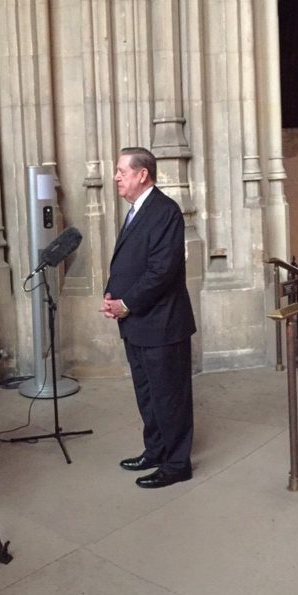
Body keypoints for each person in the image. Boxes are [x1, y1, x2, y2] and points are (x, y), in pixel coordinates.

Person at [101, 147, 196, 489]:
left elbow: (162, 271)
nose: (116, 177)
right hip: (138, 322)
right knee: (147, 393)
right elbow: (130, 262)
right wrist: (112, 296)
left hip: (163, 323)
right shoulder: (136, 211)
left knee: (170, 395)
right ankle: (155, 450)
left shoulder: (165, 210)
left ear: (142, 174)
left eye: (121, 171)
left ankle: (176, 464)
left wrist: (126, 302)